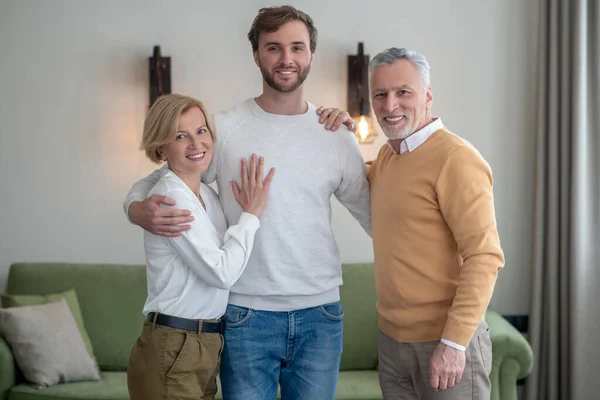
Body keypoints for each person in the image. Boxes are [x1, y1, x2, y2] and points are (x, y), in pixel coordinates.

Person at [123, 6, 371, 400]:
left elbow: (374, 215)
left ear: (311, 54)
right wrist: (134, 207)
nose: (286, 59)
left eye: (297, 48)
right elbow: (167, 174)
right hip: (244, 316)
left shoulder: (336, 134)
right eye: (273, 48)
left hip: (321, 316)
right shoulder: (223, 128)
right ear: (256, 55)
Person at [367, 47, 505, 399]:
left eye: (403, 92)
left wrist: (454, 342)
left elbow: (484, 257)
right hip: (391, 342)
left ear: (427, 95)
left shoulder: (457, 159)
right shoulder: (386, 156)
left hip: (445, 344)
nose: (390, 105)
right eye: (380, 94)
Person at [126, 94, 275, 400]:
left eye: (201, 131)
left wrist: (131, 204)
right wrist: (250, 215)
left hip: (201, 344)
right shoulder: (172, 198)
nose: (196, 144)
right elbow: (222, 273)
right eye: (180, 136)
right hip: (175, 343)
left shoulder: (205, 194)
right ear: (161, 147)